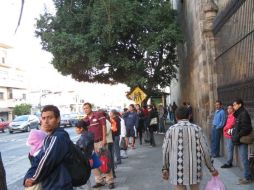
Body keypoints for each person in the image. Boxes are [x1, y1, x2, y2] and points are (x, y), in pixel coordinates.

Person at [162, 106, 218, 190]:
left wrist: (165, 168)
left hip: (177, 170)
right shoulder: (197, 129)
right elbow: (205, 150)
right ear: (189, 116)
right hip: (195, 169)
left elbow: (165, 151)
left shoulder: (171, 130)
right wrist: (211, 169)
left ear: (176, 117)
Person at [24, 105, 73, 190]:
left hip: (58, 186)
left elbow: (46, 161)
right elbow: (38, 160)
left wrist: (33, 179)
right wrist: (28, 176)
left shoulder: (58, 137)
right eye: (43, 118)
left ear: (58, 119)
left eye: (50, 118)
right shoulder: (49, 138)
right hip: (53, 184)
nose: (46, 121)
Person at [83, 103, 114, 189]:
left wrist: (104, 139)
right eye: (84, 109)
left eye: (87, 108)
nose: (85, 110)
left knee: (105, 161)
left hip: (100, 141)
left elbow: (104, 126)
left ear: (90, 108)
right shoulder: (85, 120)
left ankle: (110, 180)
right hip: (91, 144)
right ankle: (99, 181)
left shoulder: (98, 115)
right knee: (94, 163)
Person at [232, 98, 253, 184]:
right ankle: (248, 176)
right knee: (243, 159)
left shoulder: (243, 113)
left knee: (244, 159)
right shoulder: (239, 114)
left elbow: (247, 128)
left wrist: (237, 135)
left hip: (242, 140)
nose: (233, 106)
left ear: (240, 104)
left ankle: (247, 178)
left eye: (235, 104)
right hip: (239, 139)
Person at [74, 119, 94, 190]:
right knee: (85, 176)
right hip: (88, 159)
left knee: (76, 177)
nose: (75, 130)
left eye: (76, 128)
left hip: (84, 160)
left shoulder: (84, 137)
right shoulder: (88, 134)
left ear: (81, 128)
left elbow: (80, 149)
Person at [221, 104, 235, 168]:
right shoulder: (229, 115)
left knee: (230, 149)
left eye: (230, 108)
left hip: (230, 135)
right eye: (228, 108)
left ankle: (229, 163)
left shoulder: (233, 116)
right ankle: (229, 162)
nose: (228, 110)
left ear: (233, 109)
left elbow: (231, 124)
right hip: (227, 134)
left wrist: (225, 128)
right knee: (229, 149)